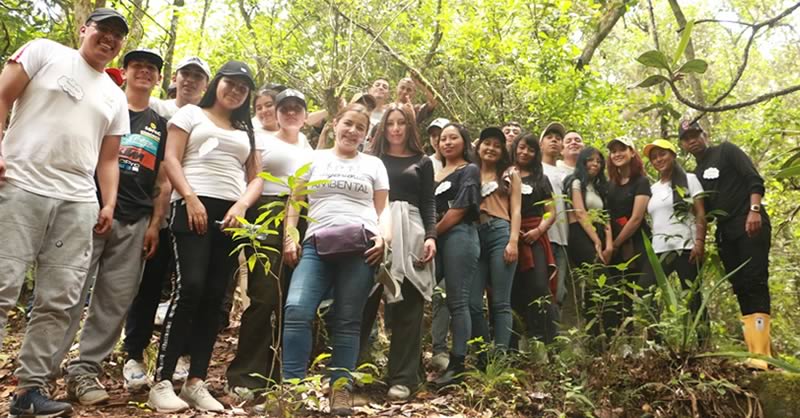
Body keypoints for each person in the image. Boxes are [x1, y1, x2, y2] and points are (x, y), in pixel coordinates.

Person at [0, 8, 130, 417]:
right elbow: (3, 96)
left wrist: (107, 201)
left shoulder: (115, 95)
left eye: (117, 35)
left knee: (59, 300)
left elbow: (108, 159)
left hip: (78, 200)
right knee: (2, 286)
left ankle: (29, 392)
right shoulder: (44, 53)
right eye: (102, 30)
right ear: (83, 30)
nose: (108, 39)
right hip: (21, 183)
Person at [45, 48, 170, 406]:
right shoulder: (104, 105)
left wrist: (155, 224)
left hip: (135, 218)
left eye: (152, 69)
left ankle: (84, 372)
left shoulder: (158, 123)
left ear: (159, 78)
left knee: (114, 302)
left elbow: (162, 179)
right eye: (138, 67)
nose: (145, 73)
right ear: (125, 71)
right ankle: (44, 373)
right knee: (68, 292)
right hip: (88, 210)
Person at [147, 61, 263, 413]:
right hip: (192, 208)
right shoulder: (191, 115)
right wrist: (191, 198)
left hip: (231, 216)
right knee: (191, 287)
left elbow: (256, 177)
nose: (236, 90)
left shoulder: (247, 128)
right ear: (217, 83)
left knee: (215, 297)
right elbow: (170, 158)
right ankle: (162, 380)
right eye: (231, 82)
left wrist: (242, 205)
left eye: (243, 87)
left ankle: (196, 380)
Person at [281, 103, 388, 416]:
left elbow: (383, 209)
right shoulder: (313, 158)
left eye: (360, 128)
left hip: (362, 246)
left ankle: (341, 390)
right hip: (316, 243)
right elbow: (294, 200)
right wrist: (290, 235)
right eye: (348, 124)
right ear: (335, 125)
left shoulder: (374, 164)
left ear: (366, 136)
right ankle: (294, 389)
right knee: (297, 308)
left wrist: (384, 237)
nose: (352, 131)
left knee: (348, 318)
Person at [225, 88, 314, 398]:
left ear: (304, 115)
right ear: (276, 113)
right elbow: (256, 177)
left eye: (296, 109)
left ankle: (279, 374)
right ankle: (244, 376)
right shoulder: (262, 139)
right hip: (266, 212)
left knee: (292, 299)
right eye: (284, 108)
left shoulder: (307, 145)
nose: (290, 113)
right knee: (264, 294)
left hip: (301, 217)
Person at [678, 120, 772, 369]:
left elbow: (754, 179)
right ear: (683, 145)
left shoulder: (726, 151)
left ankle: (762, 355)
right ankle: (758, 352)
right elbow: (701, 212)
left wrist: (754, 210)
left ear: (704, 135)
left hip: (749, 222)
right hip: (725, 233)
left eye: (695, 135)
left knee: (755, 281)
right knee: (741, 286)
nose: (692, 140)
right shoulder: (695, 175)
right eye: (686, 138)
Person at [360, 103, 437, 401]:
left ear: (409, 127)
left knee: (410, 303)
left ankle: (402, 378)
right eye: (390, 123)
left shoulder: (423, 160)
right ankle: (348, 373)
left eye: (401, 123)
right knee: (363, 298)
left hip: (413, 229)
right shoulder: (370, 159)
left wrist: (431, 236)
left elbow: (429, 202)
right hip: (374, 227)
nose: (394, 128)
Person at [642, 139, 708, 343]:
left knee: (692, 296)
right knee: (646, 290)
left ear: (673, 155)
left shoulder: (689, 180)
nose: (658, 159)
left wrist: (699, 242)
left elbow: (700, 213)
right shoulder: (652, 189)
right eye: (654, 157)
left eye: (662, 154)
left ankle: (703, 343)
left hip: (686, 247)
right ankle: (658, 344)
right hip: (659, 250)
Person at [430, 123, 481, 387]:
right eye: (443, 139)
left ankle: (458, 365)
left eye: (453, 138)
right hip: (437, 238)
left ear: (464, 142)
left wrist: (432, 234)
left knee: (458, 301)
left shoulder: (469, 170)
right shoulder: (435, 172)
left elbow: (460, 208)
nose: (447, 142)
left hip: (460, 235)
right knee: (424, 292)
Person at [469, 127, 521, 354]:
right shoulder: (469, 172)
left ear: (503, 151)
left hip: (500, 231)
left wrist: (513, 241)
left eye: (497, 145)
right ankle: (482, 355)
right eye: (486, 143)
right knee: (472, 302)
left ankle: (499, 356)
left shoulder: (510, 174)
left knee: (500, 301)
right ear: (478, 146)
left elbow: (517, 210)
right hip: (472, 234)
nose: (491, 148)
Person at [510, 132, 558, 345]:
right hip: (509, 236)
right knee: (514, 288)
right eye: (521, 147)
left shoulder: (541, 178)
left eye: (530, 149)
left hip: (535, 236)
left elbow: (551, 210)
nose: (525, 152)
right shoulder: (506, 173)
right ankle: (516, 342)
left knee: (539, 286)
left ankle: (547, 340)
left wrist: (539, 230)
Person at [602, 137, 651, 336]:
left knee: (645, 291)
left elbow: (636, 218)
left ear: (632, 153)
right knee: (621, 295)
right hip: (615, 248)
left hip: (639, 244)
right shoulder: (610, 184)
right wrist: (610, 245)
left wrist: (615, 243)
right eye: (613, 151)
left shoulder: (641, 181)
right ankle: (626, 341)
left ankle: (653, 342)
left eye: (622, 149)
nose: (617, 154)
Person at [562, 147, 612, 331]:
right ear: (583, 162)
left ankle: (595, 338)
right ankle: (606, 331)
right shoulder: (576, 182)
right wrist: (596, 241)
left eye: (599, 162)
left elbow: (605, 215)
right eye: (591, 160)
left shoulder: (598, 187)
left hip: (597, 234)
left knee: (594, 288)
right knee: (605, 283)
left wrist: (609, 243)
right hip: (580, 235)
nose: (595, 164)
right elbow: (580, 212)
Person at [539, 123, 571, 322]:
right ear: (540, 144)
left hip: (563, 239)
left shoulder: (566, 174)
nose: (554, 140)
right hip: (541, 237)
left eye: (558, 138)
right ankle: (535, 340)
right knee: (538, 290)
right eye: (549, 136)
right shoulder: (534, 169)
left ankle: (554, 343)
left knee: (558, 293)